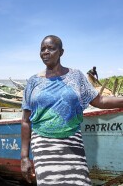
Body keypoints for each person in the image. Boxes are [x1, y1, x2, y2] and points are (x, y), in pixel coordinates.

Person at [21, 35, 123, 186]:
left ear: (61, 52)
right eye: (42, 49)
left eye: (51, 48)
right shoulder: (33, 81)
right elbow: (25, 121)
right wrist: (24, 157)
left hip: (72, 141)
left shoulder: (76, 76)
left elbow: (99, 100)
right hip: (43, 144)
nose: (46, 52)